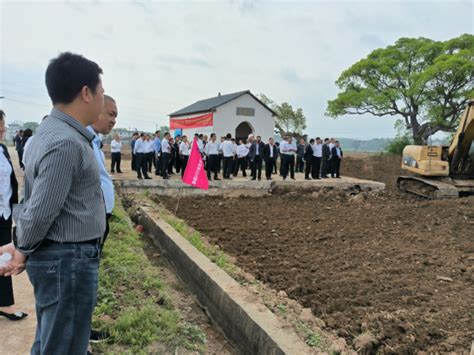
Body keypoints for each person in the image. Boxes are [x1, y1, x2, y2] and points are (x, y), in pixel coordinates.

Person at [0, 52, 107, 355]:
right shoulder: (66, 142)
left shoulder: (51, 133)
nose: (102, 99)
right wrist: (21, 249)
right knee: (64, 345)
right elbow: (42, 209)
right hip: (68, 260)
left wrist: (19, 242)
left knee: (53, 340)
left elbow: (28, 198)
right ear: (86, 93)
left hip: (62, 258)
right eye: (100, 92)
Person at [0, 139, 27, 321]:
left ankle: (4, 303)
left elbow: (11, 184)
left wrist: (15, 213)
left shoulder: (2, 149)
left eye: (3, 125)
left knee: (3, 258)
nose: (2, 129)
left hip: (4, 213)